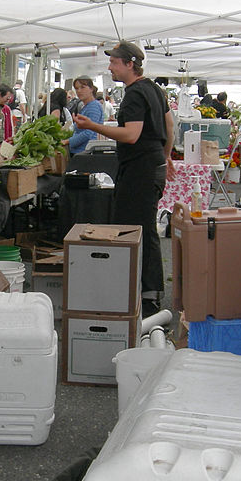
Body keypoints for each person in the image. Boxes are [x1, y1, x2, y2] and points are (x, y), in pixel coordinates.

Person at [74, 40, 174, 318]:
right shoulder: (153, 88)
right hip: (151, 165)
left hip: (140, 169)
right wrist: (165, 157)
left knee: (136, 229)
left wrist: (93, 126)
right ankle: (147, 291)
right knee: (145, 228)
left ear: (130, 64)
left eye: (115, 62)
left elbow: (131, 134)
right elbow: (170, 125)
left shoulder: (134, 94)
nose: (110, 67)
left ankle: (145, 294)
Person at [62, 76, 103, 154]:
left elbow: (88, 133)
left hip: (86, 152)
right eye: (77, 88)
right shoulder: (86, 106)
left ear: (91, 89)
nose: (79, 91)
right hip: (82, 151)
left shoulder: (93, 106)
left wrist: (68, 141)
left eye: (83, 87)